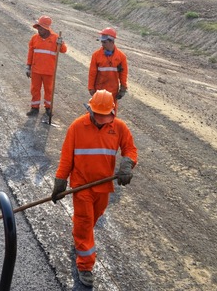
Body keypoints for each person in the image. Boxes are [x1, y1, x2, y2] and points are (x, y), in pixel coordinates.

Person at [50, 90, 138, 287]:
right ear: (90, 110)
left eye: (103, 117)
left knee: (91, 219)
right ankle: (85, 265)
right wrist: (60, 181)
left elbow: (130, 149)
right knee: (84, 221)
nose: (100, 120)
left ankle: (79, 235)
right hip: (81, 186)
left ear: (111, 113)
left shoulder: (119, 127)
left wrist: (127, 164)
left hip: (103, 185)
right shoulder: (77, 127)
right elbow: (66, 158)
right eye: (97, 116)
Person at [26, 15, 67, 117]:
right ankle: (34, 108)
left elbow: (64, 50)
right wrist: (28, 67)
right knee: (35, 90)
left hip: (49, 71)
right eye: (38, 27)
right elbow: (30, 53)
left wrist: (60, 43)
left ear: (47, 28)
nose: (39, 30)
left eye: (41, 28)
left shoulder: (56, 38)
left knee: (49, 90)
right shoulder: (34, 38)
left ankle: (48, 108)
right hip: (35, 70)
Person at [88, 27, 128, 111]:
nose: (102, 44)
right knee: (96, 110)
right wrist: (91, 87)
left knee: (110, 112)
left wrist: (123, 87)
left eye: (104, 42)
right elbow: (92, 72)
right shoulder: (96, 55)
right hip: (99, 90)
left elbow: (123, 73)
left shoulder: (121, 57)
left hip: (112, 91)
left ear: (111, 41)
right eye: (102, 42)